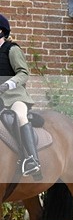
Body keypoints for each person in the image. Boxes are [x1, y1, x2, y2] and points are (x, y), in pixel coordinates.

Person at [0, 13, 42, 180]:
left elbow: (23, 73)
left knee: (20, 115)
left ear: (1, 31)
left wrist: (7, 84)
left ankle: (32, 160)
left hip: (14, 96)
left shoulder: (12, 49)